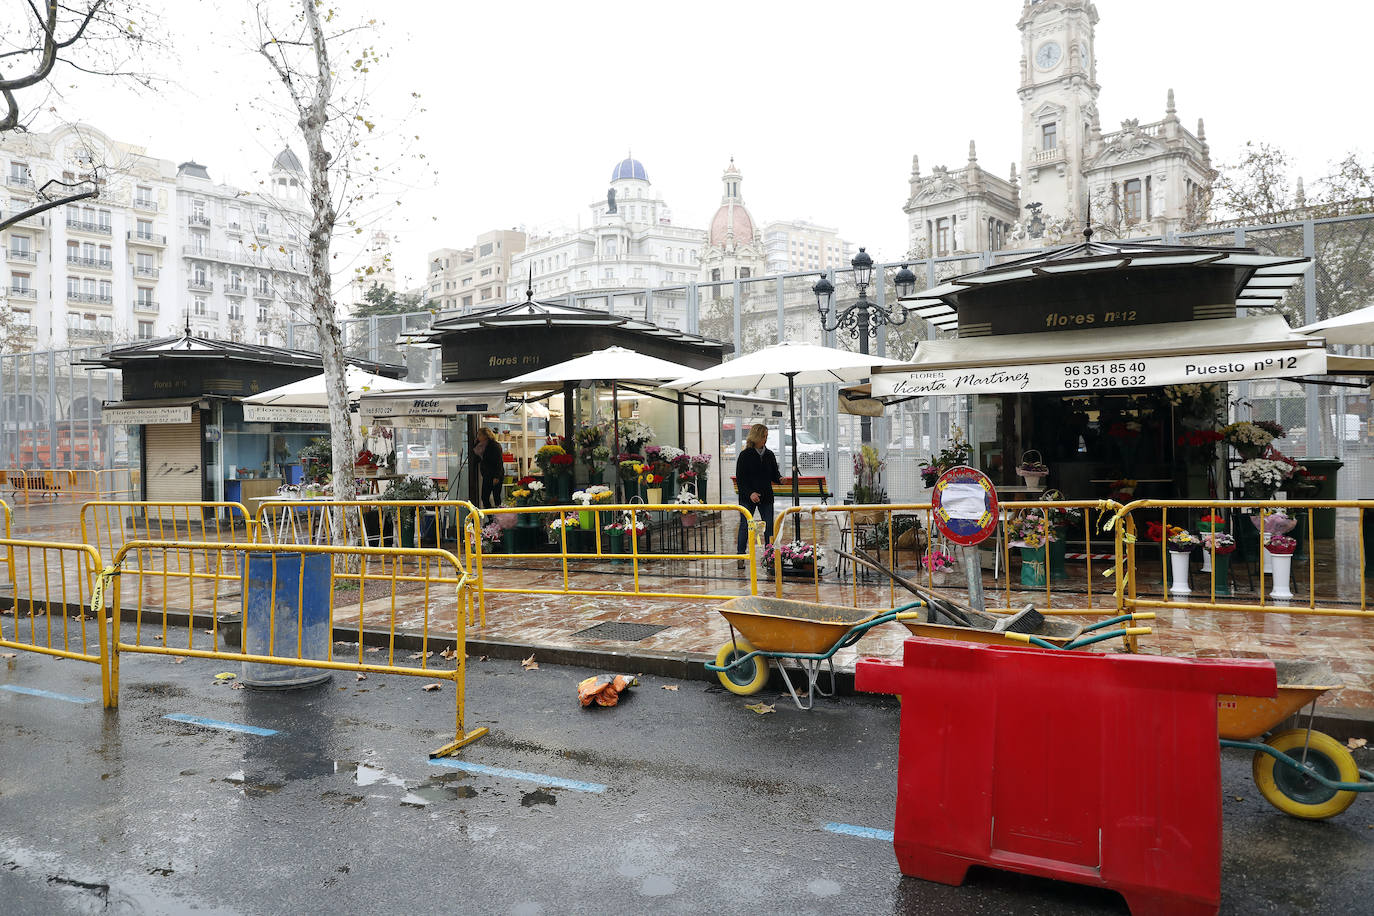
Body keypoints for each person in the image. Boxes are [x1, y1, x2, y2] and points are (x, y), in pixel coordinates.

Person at [734, 423, 781, 568]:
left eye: (767, 436)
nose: (765, 439)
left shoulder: (769, 454)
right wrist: (750, 493)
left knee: (769, 527)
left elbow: (774, 474)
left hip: (766, 496)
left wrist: (780, 479)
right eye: (764, 436)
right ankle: (741, 556)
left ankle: (770, 557)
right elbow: (740, 479)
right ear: (756, 437)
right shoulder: (745, 455)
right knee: (745, 526)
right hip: (748, 497)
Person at [473, 427, 505, 509]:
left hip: (495, 474)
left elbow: (499, 462)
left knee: (496, 497)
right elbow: (477, 459)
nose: (478, 437)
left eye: (480, 435)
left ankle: (498, 518)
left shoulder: (494, 446)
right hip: (487, 475)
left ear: (485, 436)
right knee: (484, 497)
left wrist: (497, 476)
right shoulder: (480, 447)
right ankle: (491, 518)